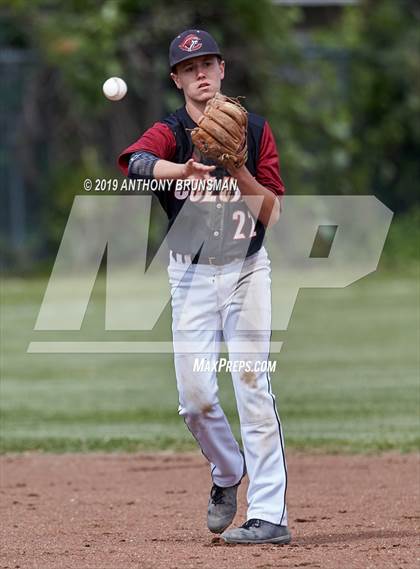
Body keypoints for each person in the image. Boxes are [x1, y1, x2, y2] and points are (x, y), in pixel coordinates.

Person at [118, 29, 290, 545]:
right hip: (190, 275)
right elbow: (135, 166)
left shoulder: (254, 131)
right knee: (194, 400)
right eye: (189, 67)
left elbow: (271, 213)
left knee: (253, 387)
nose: (201, 73)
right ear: (177, 79)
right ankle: (226, 471)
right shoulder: (169, 132)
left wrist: (237, 167)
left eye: (208, 63)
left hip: (246, 272)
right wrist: (182, 169)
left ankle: (268, 516)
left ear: (222, 71)